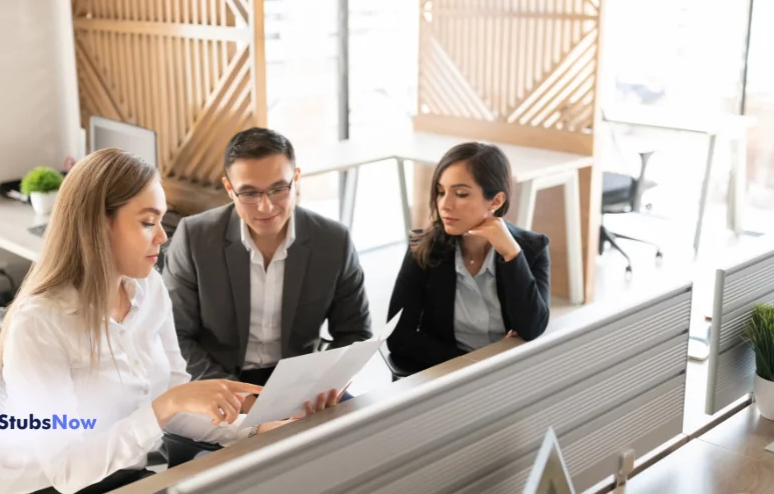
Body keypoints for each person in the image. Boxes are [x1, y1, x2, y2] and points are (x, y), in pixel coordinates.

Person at [0, 148, 337, 494]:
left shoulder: (148, 288)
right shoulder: (40, 324)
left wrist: (256, 429)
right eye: (148, 222)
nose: (162, 236)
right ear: (98, 227)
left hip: (125, 478)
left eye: (161, 220)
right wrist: (165, 406)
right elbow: (67, 473)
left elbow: (178, 401)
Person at [163, 127, 372, 396]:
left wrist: (324, 382)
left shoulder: (333, 240)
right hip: (218, 380)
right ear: (229, 188)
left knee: (362, 433)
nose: (266, 207)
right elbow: (175, 336)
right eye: (249, 193)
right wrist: (236, 396)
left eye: (278, 189)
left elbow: (355, 332)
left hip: (302, 383)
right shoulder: (194, 237)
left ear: (296, 179)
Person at [386, 142, 551, 372]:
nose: (444, 205)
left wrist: (511, 255)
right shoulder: (423, 248)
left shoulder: (532, 249)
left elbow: (534, 327)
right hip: (446, 376)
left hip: (510, 377)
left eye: (461, 194)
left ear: (496, 201)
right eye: (441, 192)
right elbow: (397, 337)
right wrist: (478, 362)